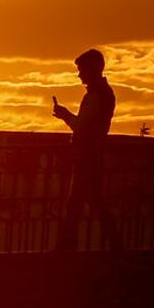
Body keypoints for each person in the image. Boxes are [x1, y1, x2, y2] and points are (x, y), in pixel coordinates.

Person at [52, 48, 121, 251]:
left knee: (81, 204)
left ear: (92, 69)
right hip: (93, 155)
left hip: (88, 157)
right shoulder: (104, 93)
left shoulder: (96, 95)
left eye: (81, 70)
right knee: (87, 203)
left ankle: (66, 248)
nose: (79, 74)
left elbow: (81, 125)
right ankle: (69, 246)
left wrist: (65, 115)